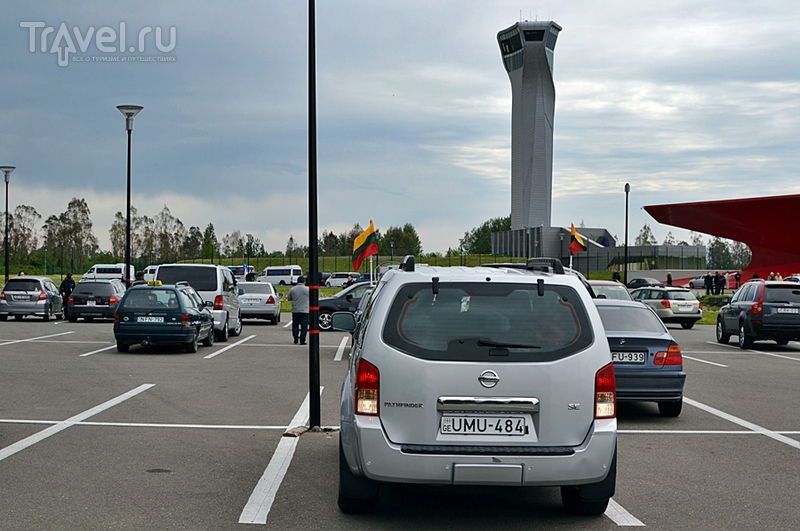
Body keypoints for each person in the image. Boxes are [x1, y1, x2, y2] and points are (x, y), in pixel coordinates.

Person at [287, 275, 309, 345]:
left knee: (295, 325)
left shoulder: (292, 289)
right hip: (305, 310)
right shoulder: (308, 289)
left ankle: (296, 338)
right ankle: (302, 340)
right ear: (304, 282)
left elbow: (289, 298)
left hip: (295, 310)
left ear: (297, 281)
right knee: (304, 326)